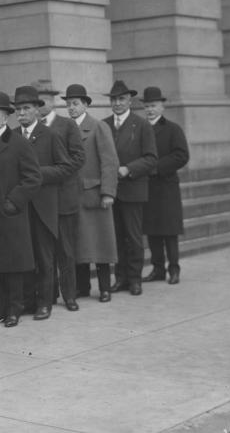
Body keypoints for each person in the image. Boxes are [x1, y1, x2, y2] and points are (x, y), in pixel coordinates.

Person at [0, 91, 41, 328]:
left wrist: (13, 202)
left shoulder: (18, 143)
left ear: (5, 117)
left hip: (10, 214)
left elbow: (33, 178)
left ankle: (14, 309)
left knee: (13, 265)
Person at [14, 86, 74, 321]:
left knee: (44, 256)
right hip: (21, 205)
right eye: (18, 109)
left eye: (26, 108)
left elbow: (66, 167)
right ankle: (28, 301)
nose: (22, 113)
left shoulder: (50, 135)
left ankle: (45, 302)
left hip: (44, 205)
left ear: (37, 110)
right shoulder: (12, 135)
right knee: (25, 255)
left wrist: (37, 173)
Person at [63, 84, 119, 302]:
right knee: (80, 244)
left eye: (75, 103)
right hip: (72, 195)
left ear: (85, 104)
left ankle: (104, 287)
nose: (71, 108)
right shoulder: (66, 129)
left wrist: (108, 192)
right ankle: (82, 287)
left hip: (94, 195)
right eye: (68, 104)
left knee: (101, 243)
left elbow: (110, 162)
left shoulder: (98, 127)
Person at [33, 80, 85, 311]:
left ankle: (69, 295)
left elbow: (77, 159)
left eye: (44, 100)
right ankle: (49, 294)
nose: (40, 104)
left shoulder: (67, 126)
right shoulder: (31, 128)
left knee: (66, 250)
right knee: (45, 251)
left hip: (64, 197)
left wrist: (48, 174)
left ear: (53, 101)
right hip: (41, 200)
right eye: (37, 101)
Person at [103, 80, 157, 296]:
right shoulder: (104, 124)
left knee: (133, 237)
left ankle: (135, 279)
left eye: (121, 99)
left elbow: (152, 158)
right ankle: (121, 278)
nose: (117, 103)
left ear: (129, 101)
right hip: (111, 190)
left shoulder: (141, 124)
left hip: (133, 189)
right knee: (115, 236)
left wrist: (129, 169)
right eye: (114, 99)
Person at [141, 86, 190, 285]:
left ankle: (174, 269)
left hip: (167, 186)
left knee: (169, 231)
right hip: (147, 187)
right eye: (147, 106)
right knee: (152, 230)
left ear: (162, 106)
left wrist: (156, 168)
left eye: (153, 105)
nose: (150, 109)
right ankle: (158, 268)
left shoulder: (173, 129)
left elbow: (181, 155)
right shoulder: (141, 128)